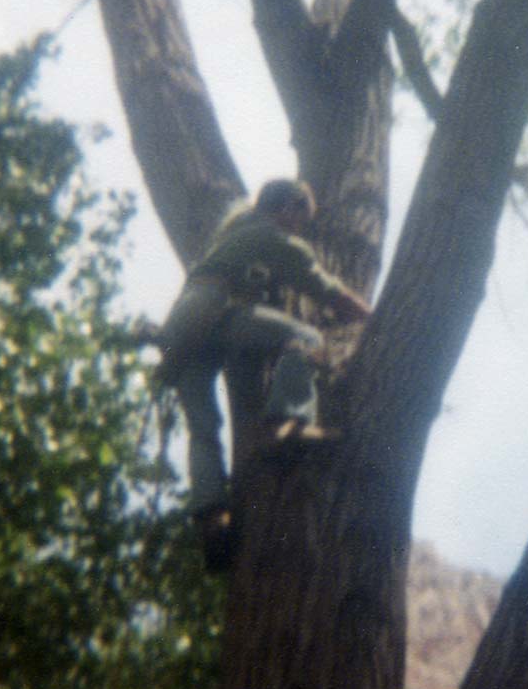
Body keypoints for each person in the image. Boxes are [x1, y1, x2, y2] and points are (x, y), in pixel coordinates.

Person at [157, 179, 370, 570]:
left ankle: (211, 519)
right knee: (306, 337)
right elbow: (322, 285)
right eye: (301, 220)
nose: (299, 229)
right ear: (288, 207)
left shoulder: (233, 236)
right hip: (215, 311)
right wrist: (367, 315)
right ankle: (287, 421)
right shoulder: (269, 234)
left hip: (180, 332)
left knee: (203, 430)